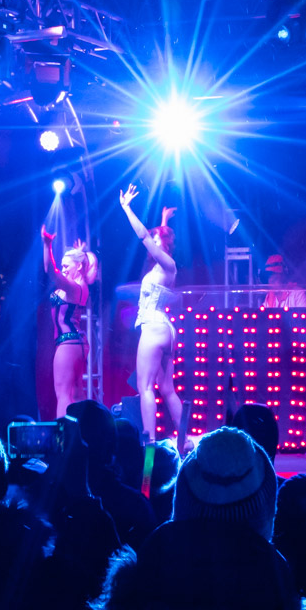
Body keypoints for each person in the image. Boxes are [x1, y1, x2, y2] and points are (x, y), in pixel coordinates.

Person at [119, 185, 181, 444]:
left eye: (158, 239)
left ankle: (150, 444)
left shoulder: (167, 264)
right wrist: (164, 221)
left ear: (163, 244)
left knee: (145, 388)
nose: (152, 242)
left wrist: (127, 208)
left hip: (154, 327)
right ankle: (184, 439)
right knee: (167, 389)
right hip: (164, 328)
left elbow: (145, 236)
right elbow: (155, 237)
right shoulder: (163, 267)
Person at [41, 228, 99, 418]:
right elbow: (52, 271)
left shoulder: (74, 288)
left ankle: (63, 441)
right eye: (63, 266)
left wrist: (47, 245)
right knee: (76, 394)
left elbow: (51, 271)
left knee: (64, 395)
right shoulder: (80, 286)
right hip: (77, 343)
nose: (64, 269)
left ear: (79, 267)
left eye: (67, 266)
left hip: (68, 343)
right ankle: (85, 437)